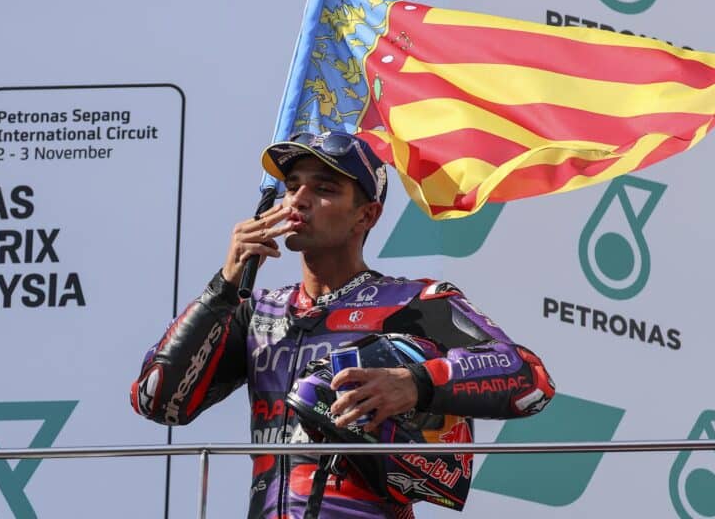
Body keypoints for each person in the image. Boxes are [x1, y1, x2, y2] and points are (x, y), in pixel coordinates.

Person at [131, 130, 555, 518]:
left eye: (324, 188)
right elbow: (158, 401)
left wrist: (414, 383)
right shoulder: (256, 313)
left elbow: (530, 380)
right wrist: (224, 287)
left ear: (366, 216)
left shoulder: (414, 301)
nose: (298, 199)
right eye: (292, 186)